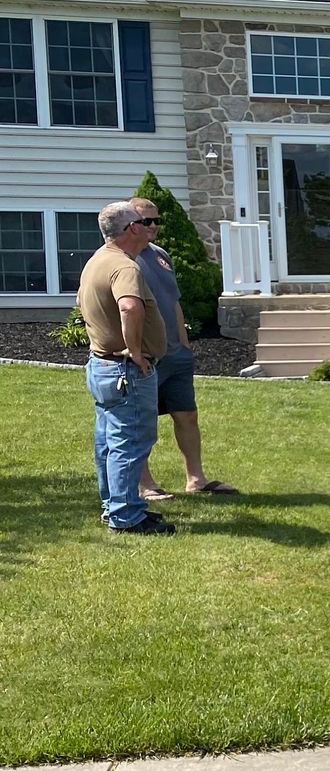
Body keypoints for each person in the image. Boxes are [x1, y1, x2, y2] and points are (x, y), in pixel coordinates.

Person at [131, 196, 239, 500]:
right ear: (130, 223)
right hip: (146, 355)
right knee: (141, 420)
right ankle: (145, 485)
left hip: (175, 354)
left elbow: (174, 302)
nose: (153, 226)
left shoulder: (160, 255)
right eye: (145, 221)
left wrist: (184, 346)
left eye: (156, 221)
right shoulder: (121, 258)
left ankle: (196, 479)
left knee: (187, 415)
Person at [77, 200, 172, 535]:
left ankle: (116, 507)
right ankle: (126, 516)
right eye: (146, 222)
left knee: (109, 442)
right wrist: (135, 352)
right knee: (130, 441)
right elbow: (130, 307)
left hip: (102, 366)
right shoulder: (124, 267)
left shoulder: (96, 261)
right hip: (125, 371)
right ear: (132, 229)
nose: (151, 227)